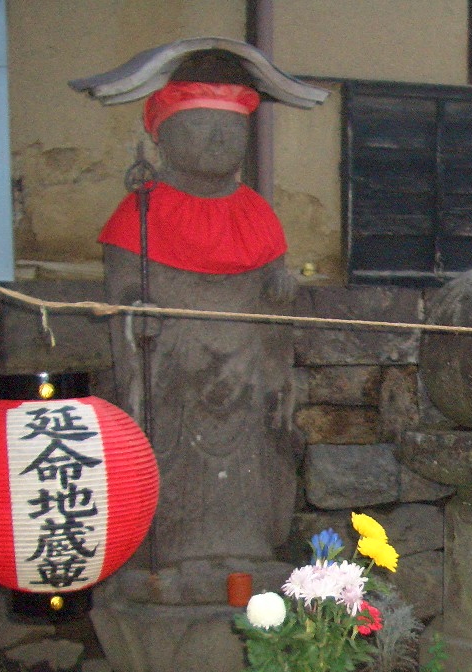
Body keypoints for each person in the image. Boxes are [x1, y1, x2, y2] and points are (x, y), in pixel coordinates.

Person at [100, 79, 302, 572]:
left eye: (231, 129)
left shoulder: (256, 211)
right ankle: (170, 547)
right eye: (199, 126)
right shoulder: (140, 212)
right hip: (176, 371)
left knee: (252, 450)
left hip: (246, 368)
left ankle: (249, 540)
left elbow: (275, 292)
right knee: (169, 447)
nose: (218, 139)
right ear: (162, 138)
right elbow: (123, 296)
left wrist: (279, 287)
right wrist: (138, 317)